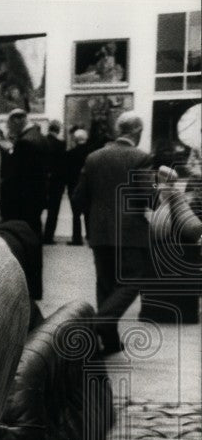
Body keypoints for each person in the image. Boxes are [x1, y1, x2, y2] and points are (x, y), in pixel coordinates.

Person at [70, 111, 153, 354]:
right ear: (137, 131)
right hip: (130, 234)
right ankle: (97, 324)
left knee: (106, 285)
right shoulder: (141, 158)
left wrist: (93, 220)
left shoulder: (94, 157)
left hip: (100, 232)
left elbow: (78, 198)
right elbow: (149, 196)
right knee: (133, 281)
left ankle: (110, 342)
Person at [1, 108, 50, 240]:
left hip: (24, 201)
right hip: (36, 198)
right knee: (34, 236)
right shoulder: (39, 136)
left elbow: (16, 176)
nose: (9, 128)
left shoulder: (25, 142)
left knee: (24, 239)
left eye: (9, 125)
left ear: (18, 121)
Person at [64, 127, 91, 244]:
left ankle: (76, 238)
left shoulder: (70, 154)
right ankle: (90, 237)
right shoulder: (92, 154)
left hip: (74, 186)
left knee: (76, 214)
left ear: (75, 140)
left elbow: (67, 172)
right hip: (89, 187)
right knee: (88, 213)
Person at [42, 119, 67, 243]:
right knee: (53, 212)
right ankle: (48, 237)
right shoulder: (61, 144)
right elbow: (62, 166)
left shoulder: (42, 141)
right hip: (56, 183)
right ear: (58, 130)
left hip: (42, 181)